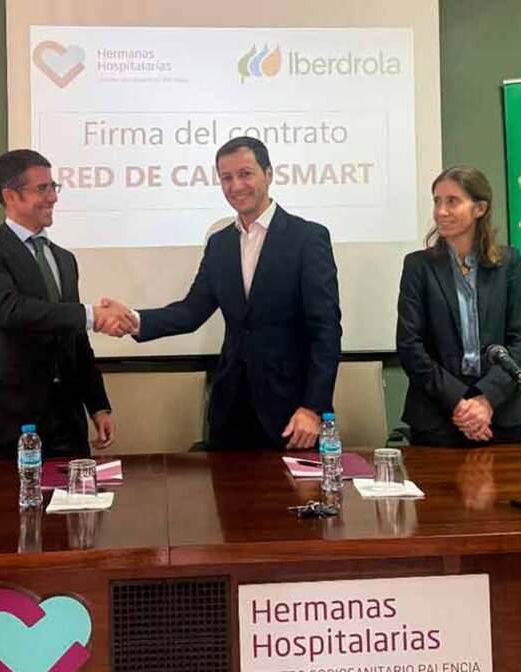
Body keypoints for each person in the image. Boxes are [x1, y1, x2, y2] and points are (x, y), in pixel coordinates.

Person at [103, 137, 342, 450]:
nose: (236, 186)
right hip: (230, 410)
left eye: (245, 174)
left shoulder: (307, 238)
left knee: (290, 486)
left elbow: (326, 330)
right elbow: (191, 312)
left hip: (292, 411)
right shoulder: (219, 244)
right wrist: (133, 320)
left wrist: (314, 407)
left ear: (269, 174)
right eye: (226, 178)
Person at [0, 149, 130, 460]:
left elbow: (76, 338)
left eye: (54, 187)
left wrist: (98, 405)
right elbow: (9, 310)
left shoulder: (64, 259)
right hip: (5, 420)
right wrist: (91, 314)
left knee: (75, 494)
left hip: (66, 421)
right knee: (0, 495)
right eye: (42, 188)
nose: (53, 197)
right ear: (10, 195)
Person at [397, 165, 521, 446]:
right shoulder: (418, 265)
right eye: (437, 201)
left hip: (500, 416)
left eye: (452, 201)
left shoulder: (509, 263)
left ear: (479, 208)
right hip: (437, 417)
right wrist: (460, 403)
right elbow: (410, 346)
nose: (441, 211)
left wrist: (486, 400)